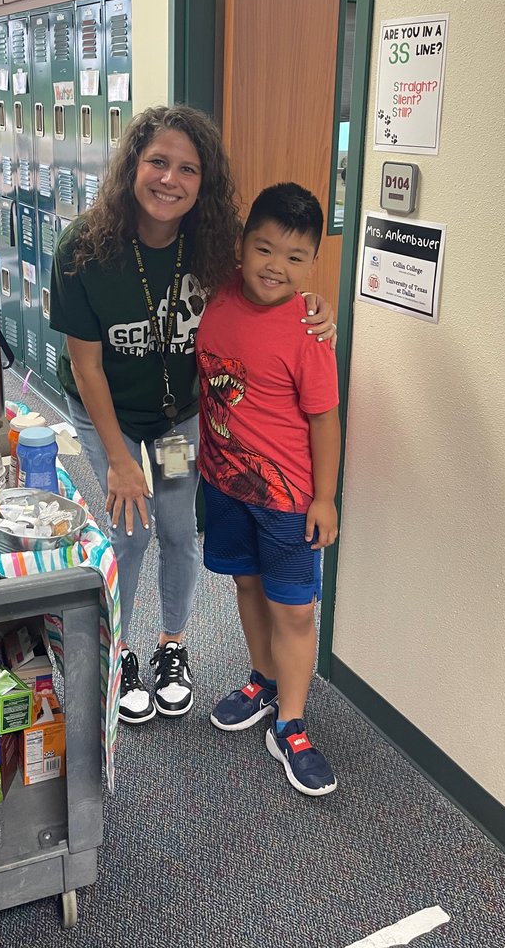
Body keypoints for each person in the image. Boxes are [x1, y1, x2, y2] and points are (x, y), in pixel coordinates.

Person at [49, 106, 336, 725]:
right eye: (157, 162)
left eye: (188, 168)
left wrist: (316, 305)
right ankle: (119, 651)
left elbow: (276, 275)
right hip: (111, 414)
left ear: (203, 183)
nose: (169, 179)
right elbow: (85, 368)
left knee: (180, 530)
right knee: (129, 534)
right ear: (133, 165)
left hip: (180, 416)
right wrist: (121, 461)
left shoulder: (213, 244)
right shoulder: (83, 250)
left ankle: (172, 644)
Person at [196, 182, 340, 796]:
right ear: (242, 246)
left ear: (312, 263)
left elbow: (325, 419)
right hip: (225, 485)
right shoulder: (218, 295)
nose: (275, 267)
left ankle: (292, 722)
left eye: (294, 256)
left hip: (287, 500)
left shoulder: (309, 331)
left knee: (296, 607)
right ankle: (262, 678)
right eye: (264, 248)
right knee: (246, 583)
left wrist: (326, 497)